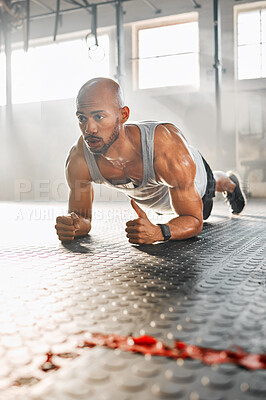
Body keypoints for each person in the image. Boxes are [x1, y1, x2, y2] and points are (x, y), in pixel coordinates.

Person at [55, 78, 245, 245]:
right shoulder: (79, 158)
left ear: (123, 115)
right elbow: (83, 219)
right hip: (158, 203)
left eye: (99, 116)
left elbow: (193, 220)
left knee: (213, 185)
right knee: (167, 211)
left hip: (197, 184)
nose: (89, 129)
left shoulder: (164, 145)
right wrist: (73, 225)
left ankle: (229, 183)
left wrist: (159, 232)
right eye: (82, 118)